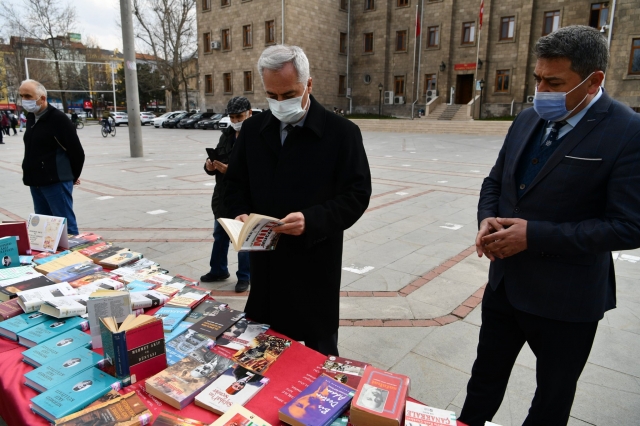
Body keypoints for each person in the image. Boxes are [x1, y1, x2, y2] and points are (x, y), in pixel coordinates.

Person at [459, 25, 640, 426]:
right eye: (538, 79)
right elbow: (495, 181)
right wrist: (486, 218)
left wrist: (534, 235)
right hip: (506, 286)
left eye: (554, 82)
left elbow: (629, 226)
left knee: (551, 399)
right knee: (483, 381)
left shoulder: (627, 131)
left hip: (567, 300)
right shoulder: (528, 119)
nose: (541, 90)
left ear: (594, 81)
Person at [224, 45, 371, 356]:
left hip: (314, 266)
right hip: (266, 267)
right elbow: (234, 184)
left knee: (320, 360)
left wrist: (313, 220)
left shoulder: (342, 133)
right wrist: (238, 213)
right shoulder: (252, 130)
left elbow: (357, 194)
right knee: (262, 357)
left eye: (289, 94)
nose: (280, 103)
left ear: (309, 85)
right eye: (272, 96)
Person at [19, 79, 84, 235]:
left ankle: (73, 255)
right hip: (35, 181)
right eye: (21, 96)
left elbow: (77, 152)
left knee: (65, 225)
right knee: (43, 226)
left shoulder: (59, 120)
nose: (24, 100)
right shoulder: (31, 117)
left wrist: (72, 177)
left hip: (55, 182)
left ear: (42, 98)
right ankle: (53, 258)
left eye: (28, 96)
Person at [201, 97, 253, 293]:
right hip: (222, 196)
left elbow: (257, 171)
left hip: (245, 199)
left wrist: (229, 170)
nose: (235, 120)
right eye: (231, 117)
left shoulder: (257, 137)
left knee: (243, 240)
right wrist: (210, 166)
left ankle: (245, 277)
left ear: (249, 113)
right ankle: (218, 270)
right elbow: (219, 158)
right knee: (219, 235)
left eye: (239, 116)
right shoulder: (227, 135)